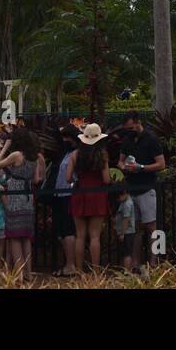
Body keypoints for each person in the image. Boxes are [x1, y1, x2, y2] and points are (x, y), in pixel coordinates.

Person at [0, 125, 46, 278]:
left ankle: (20, 273)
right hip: (27, 197)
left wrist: (5, 148)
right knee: (25, 238)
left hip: (15, 198)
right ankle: (28, 273)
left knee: (14, 236)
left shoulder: (17, 155)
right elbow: (36, 179)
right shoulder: (34, 156)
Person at [117, 111, 165, 270]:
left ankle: (155, 261)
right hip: (132, 189)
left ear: (138, 122)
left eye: (131, 128)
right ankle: (136, 262)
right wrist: (125, 168)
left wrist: (141, 168)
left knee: (152, 226)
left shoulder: (151, 139)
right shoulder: (127, 140)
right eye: (127, 129)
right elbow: (120, 161)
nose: (129, 131)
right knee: (135, 227)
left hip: (147, 188)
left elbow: (161, 164)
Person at [65, 123, 110, 272]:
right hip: (97, 193)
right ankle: (96, 271)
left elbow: (68, 178)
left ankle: (79, 271)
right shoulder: (102, 155)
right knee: (95, 236)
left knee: (80, 236)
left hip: (80, 193)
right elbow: (106, 180)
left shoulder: (75, 155)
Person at [51, 123, 80, 276]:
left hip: (69, 194)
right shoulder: (66, 153)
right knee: (61, 230)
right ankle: (67, 263)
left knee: (68, 229)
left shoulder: (77, 153)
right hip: (59, 193)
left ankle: (71, 264)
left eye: (67, 138)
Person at [110, 182, 136, 270]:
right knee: (124, 252)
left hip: (127, 232)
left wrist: (122, 233)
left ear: (124, 193)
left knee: (126, 253)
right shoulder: (125, 202)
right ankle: (125, 269)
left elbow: (126, 219)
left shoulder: (127, 204)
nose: (118, 199)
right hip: (125, 231)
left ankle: (127, 271)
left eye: (119, 197)